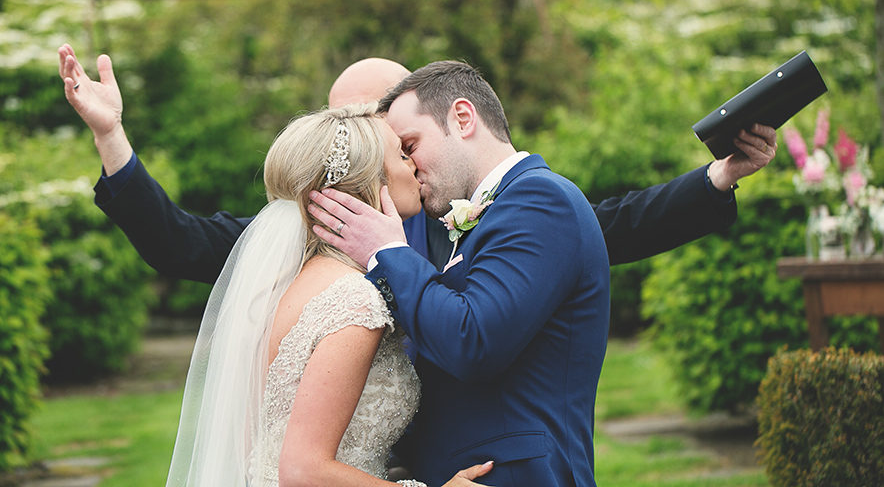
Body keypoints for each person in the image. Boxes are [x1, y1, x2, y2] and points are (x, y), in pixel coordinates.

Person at [57, 43, 777, 288]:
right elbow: (179, 243)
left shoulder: (472, 206)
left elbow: (604, 228)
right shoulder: (313, 226)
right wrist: (112, 137)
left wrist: (717, 178)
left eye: (376, 122)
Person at [307, 60, 609, 486]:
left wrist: (387, 251)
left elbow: (473, 340)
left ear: (462, 118)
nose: (408, 165)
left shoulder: (540, 199)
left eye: (409, 145)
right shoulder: (490, 215)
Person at [165, 102, 494, 486]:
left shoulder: (285, 285)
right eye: (402, 155)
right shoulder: (354, 300)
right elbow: (304, 469)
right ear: (371, 184)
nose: (414, 165)